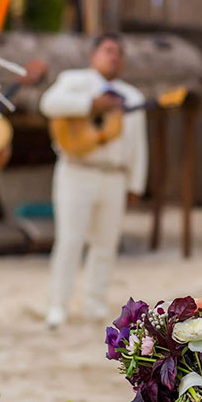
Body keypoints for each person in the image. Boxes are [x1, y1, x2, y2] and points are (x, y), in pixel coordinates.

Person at [40, 33, 147, 329]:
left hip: (114, 176)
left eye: (119, 52)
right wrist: (91, 104)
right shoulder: (74, 81)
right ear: (94, 55)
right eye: (109, 50)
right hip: (77, 170)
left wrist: (136, 183)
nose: (115, 56)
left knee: (105, 244)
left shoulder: (133, 96)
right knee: (70, 241)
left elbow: (138, 143)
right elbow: (49, 103)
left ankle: (95, 304)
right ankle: (58, 305)